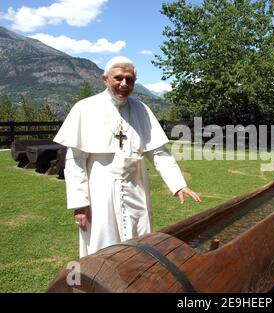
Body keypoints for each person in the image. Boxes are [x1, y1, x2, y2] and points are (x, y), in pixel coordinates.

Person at [54, 56, 201, 258]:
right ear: (105, 79)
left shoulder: (142, 109)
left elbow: (158, 152)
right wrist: (80, 202)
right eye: (118, 78)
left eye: (129, 79)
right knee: (102, 246)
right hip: (100, 192)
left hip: (136, 188)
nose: (124, 84)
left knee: (140, 243)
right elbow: (75, 161)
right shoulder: (85, 108)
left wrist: (178, 184)